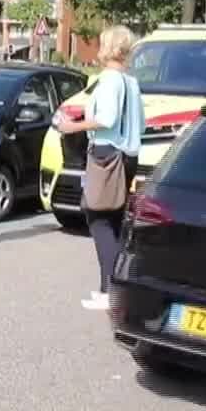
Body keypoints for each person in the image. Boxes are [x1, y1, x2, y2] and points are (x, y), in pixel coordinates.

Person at [55, 24, 142, 310]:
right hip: (128, 154)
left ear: (108, 49)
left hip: (106, 154)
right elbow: (138, 123)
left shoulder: (109, 80)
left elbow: (106, 119)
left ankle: (112, 289)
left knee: (98, 219)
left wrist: (73, 126)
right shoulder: (131, 82)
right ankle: (112, 287)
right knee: (114, 220)